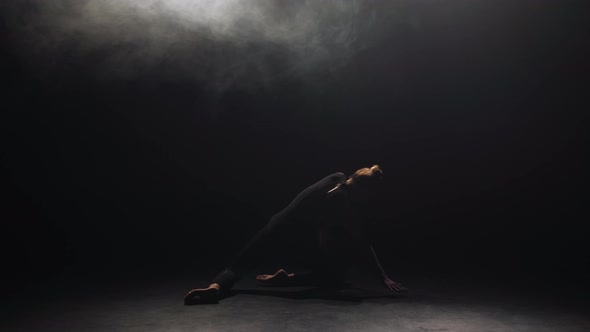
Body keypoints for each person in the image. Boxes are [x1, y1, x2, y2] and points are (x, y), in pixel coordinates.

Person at [184, 165, 407, 304]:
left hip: (277, 224)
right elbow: (361, 241)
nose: (368, 202)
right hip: (293, 238)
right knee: (336, 277)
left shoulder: (337, 176)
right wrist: (382, 277)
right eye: (369, 196)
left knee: (238, 265)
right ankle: (290, 278)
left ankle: (216, 288)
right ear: (361, 190)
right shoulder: (342, 203)